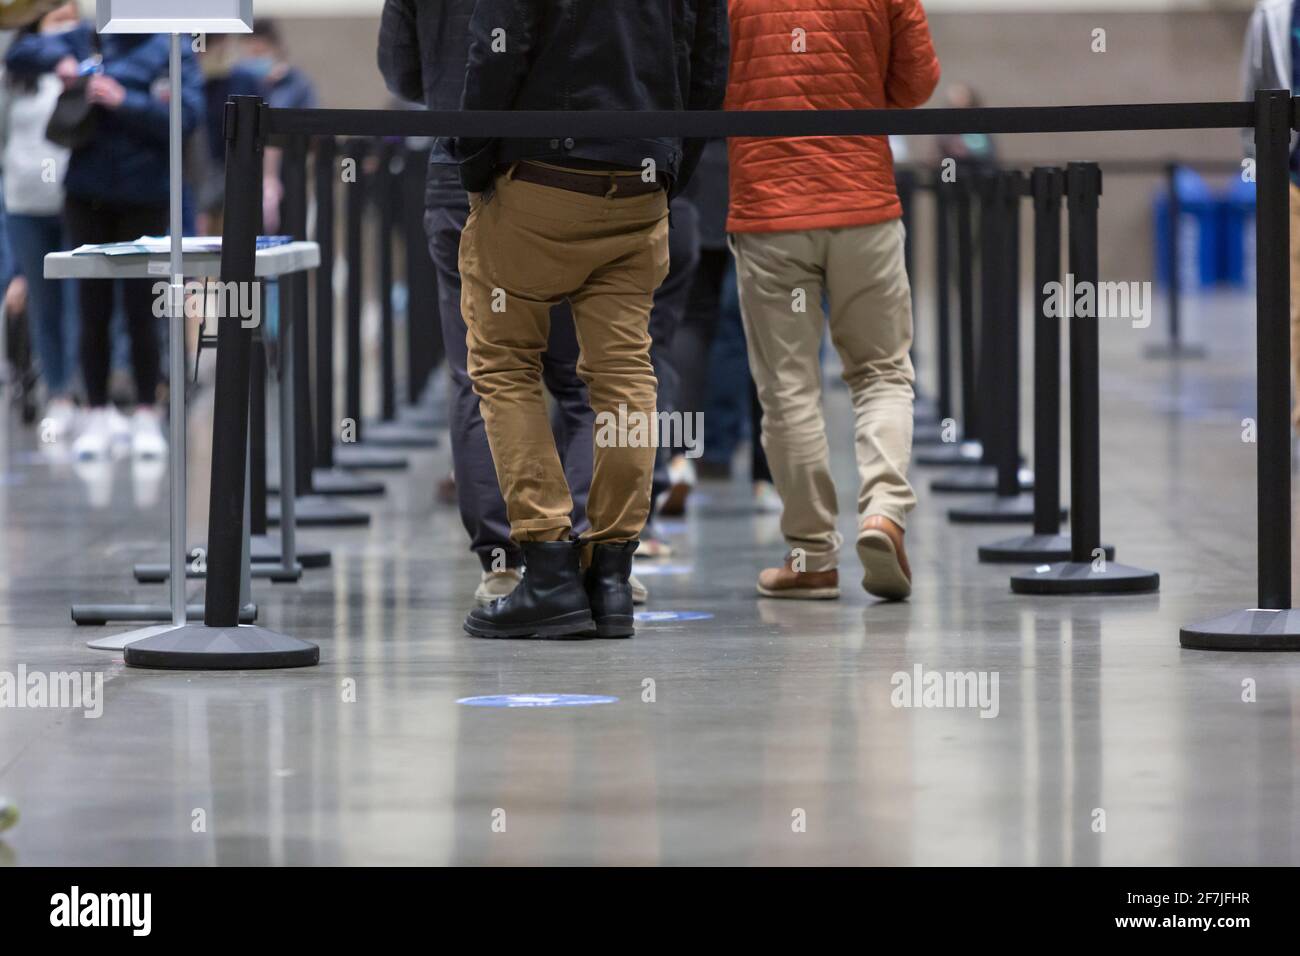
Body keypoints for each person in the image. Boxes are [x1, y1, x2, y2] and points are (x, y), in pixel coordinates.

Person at [451, 0, 729, 639]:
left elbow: (499, 43)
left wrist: (473, 157)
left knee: (504, 363)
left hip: (539, 175)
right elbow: (710, 66)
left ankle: (548, 570)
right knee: (626, 371)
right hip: (641, 181)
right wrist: (670, 168)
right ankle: (610, 578)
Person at [378, 0, 612, 607]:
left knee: (478, 376)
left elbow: (400, 72)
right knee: (581, 380)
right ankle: (587, 552)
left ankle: (503, 561)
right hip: (553, 170)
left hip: (456, 174)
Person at [725, 0, 939, 602]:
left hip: (770, 212)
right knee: (881, 374)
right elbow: (917, 83)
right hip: (863, 205)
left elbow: (702, 74)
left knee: (788, 387)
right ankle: (884, 512)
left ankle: (813, 555)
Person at [5, 17, 204, 460]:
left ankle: (147, 413)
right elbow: (18, 52)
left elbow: (188, 117)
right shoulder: (90, 37)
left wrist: (123, 100)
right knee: (91, 310)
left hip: (147, 197)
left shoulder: (172, 48)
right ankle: (94, 411)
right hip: (87, 196)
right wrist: (61, 61)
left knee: (142, 312)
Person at [0, 1, 78, 439]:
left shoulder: (82, 67)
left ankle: (86, 394)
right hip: (24, 205)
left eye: (72, 11)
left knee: (76, 305)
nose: (65, 17)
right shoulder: (15, 75)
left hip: (74, 201)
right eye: (56, 11)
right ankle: (59, 393)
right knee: (43, 304)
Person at [1241, 0, 1300, 427]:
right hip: (1293, 177)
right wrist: (1257, 162)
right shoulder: (1273, 15)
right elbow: (1252, 88)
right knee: (1296, 307)